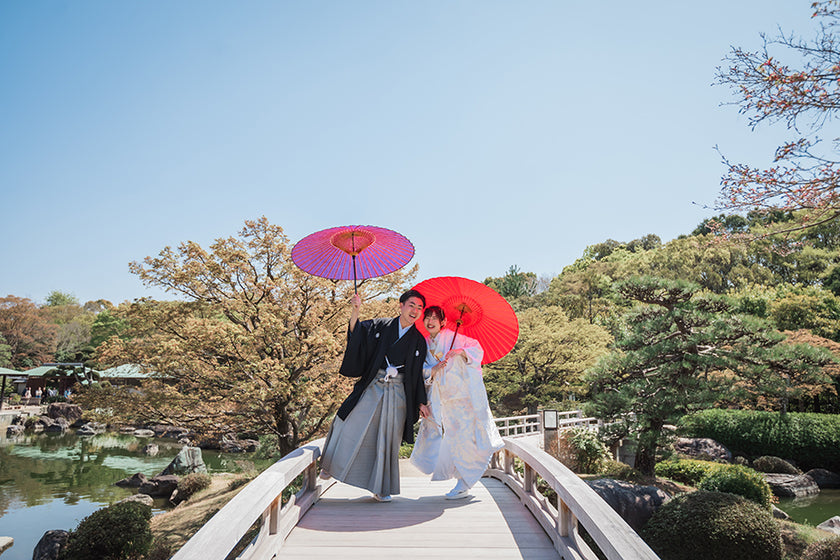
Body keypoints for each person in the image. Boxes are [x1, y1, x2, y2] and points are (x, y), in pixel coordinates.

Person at [320, 289, 430, 502]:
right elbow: (358, 335)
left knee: (387, 438)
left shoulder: (418, 340)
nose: (415, 310)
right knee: (350, 421)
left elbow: (416, 375)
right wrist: (355, 311)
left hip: (398, 392)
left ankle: (381, 487)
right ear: (401, 305)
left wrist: (421, 402)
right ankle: (331, 466)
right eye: (411, 305)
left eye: (419, 308)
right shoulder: (382, 325)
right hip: (374, 384)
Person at [410, 305, 504, 499]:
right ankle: (460, 478)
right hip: (442, 400)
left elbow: (476, 349)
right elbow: (419, 371)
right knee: (450, 439)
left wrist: (461, 351)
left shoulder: (456, 338)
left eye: (435, 318)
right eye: (427, 317)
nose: (430, 321)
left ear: (443, 322)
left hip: (463, 399)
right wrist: (433, 370)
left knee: (465, 439)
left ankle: (464, 482)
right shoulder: (422, 343)